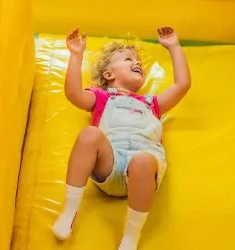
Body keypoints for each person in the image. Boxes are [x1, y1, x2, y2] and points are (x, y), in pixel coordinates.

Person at [52, 26, 191, 250]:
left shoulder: (152, 104)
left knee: (143, 161)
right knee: (90, 134)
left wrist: (174, 47)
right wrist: (76, 55)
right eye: (128, 59)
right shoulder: (101, 98)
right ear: (109, 74)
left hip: (142, 174)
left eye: (138, 62)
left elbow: (181, 85)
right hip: (110, 163)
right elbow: (73, 94)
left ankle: (130, 237)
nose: (138, 63)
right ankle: (69, 211)